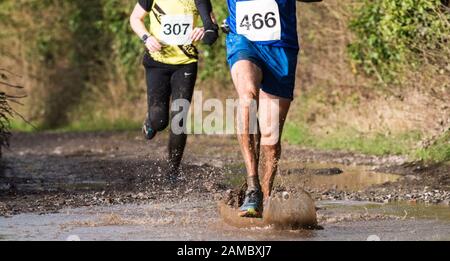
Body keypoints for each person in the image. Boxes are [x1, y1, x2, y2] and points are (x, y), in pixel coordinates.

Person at [221, 0, 322, 217]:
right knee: (247, 97)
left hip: (281, 50)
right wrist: (207, 19)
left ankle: (265, 198)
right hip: (244, 42)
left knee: (271, 139)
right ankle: (252, 187)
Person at [130, 0, 218, 181]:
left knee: (179, 118)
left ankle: (173, 171)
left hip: (185, 64)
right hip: (157, 63)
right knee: (159, 121)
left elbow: (211, 24)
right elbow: (135, 18)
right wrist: (146, 37)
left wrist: (202, 29)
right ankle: (151, 120)